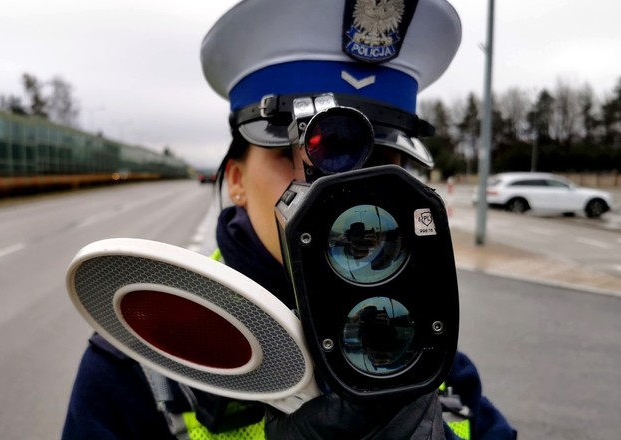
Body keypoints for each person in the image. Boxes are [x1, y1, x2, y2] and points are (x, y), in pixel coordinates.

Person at [62, 0, 517, 438]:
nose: (349, 189)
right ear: (236, 179)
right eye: (305, 157)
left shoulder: (430, 357)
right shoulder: (148, 356)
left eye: (380, 158)